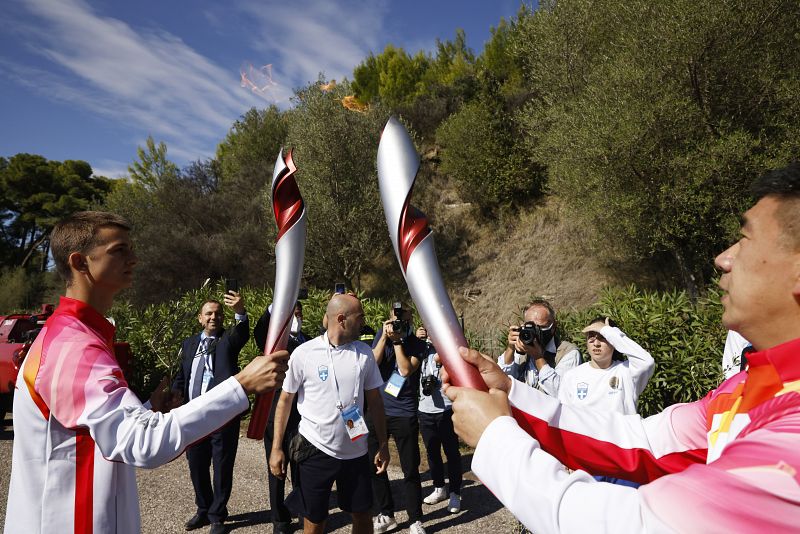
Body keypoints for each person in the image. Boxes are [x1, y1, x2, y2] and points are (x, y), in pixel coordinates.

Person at [444, 164, 800, 532]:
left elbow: (634, 523)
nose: (724, 258)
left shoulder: (793, 441)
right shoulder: (744, 387)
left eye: (746, 238)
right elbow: (640, 442)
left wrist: (497, 440)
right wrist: (510, 394)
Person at [4, 211, 289, 534]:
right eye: (119, 250)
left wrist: (149, 409)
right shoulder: (74, 347)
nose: (134, 259)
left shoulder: (76, 335)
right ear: (80, 262)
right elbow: (144, 443)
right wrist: (241, 385)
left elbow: (99, 432)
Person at [269, 293, 390, 534]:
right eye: (360, 317)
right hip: (315, 449)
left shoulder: (364, 353)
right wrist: (276, 448)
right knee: (315, 521)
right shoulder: (305, 353)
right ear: (342, 319)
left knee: (363, 516)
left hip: (356, 450)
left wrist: (384, 443)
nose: (364, 322)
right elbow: (285, 401)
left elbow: (375, 401)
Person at [172, 295, 250, 533]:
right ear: (200, 318)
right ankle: (203, 509)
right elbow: (182, 375)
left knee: (222, 465)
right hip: (193, 415)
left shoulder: (228, 339)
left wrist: (240, 312)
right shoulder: (188, 344)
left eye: (217, 313)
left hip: (222, 415)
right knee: (196, 465)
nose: (213, 317)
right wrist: (175, 394)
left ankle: (217, 516)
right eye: (209, 313)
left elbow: (242, 334)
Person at [368, 303, 428, 534]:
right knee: (375, 466)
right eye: (395, 318)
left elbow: (404, 370)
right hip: (377, 410)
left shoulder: (417, 343)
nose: (398, 323)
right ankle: (386, 513)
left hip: (403, 412)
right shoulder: (381, 335)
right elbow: (371, 363)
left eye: (403, 319)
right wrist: (384, 337)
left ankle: (415, 519)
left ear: (410, 320)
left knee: (410, 468)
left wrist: (398, 341)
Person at [253, 301, 310, 534]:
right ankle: (280, 520)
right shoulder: (275, 341)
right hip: (275, 413)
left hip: (302, 414)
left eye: (299, 312)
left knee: (302, 468)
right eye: (293, 312)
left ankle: (302, 513)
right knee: (276, 467)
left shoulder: (308, 340)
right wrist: (275, 307)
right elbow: (259, 332)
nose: (297, 314)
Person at [558, 317, 654, 416]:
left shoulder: (626, 372)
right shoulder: (572, 376)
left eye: (602, 337)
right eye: (591, 337)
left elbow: (647, 362)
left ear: (613, 341)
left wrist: (608, 331)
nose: (596, 343)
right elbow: (564, 416)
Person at [416, 326, 463, 514]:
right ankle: (439, 487)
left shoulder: (450, 350)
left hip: (446, 409)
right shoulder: (420, 349)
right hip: (424, 410)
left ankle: (455, 492)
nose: (429, 334)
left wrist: (442, 351)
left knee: (452, 453)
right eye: (427, 331)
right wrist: (416, 339)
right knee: (432, 452)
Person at [498, 299, 581, 396]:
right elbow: (501, 381)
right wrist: (511, 348)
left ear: (553, 327)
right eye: (530, 327)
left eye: (540, 327)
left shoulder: (568, 352)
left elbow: (560, 392)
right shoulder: (523, 345)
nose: (534, 333)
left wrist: (538, 358)